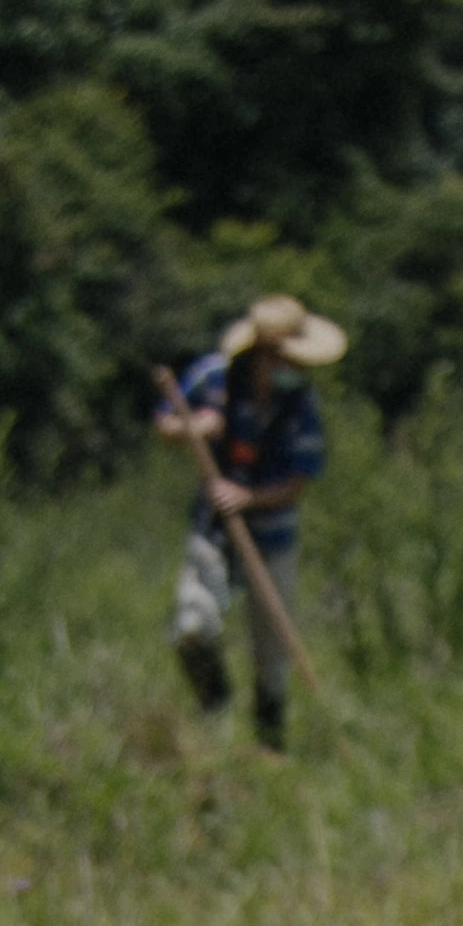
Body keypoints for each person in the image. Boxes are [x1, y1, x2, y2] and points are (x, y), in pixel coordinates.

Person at [154, 296, 344, 751]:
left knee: (272, 653)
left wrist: (249, 498)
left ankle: (269, 744)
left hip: (273, 534)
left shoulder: (301, 403)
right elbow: (165, 424)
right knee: (191, 626)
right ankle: (214, 702)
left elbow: (299, 480)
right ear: (263, 353)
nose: (293, 368)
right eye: (284, 358)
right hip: (215, 531)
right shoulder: (212, 378)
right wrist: (193, 428)